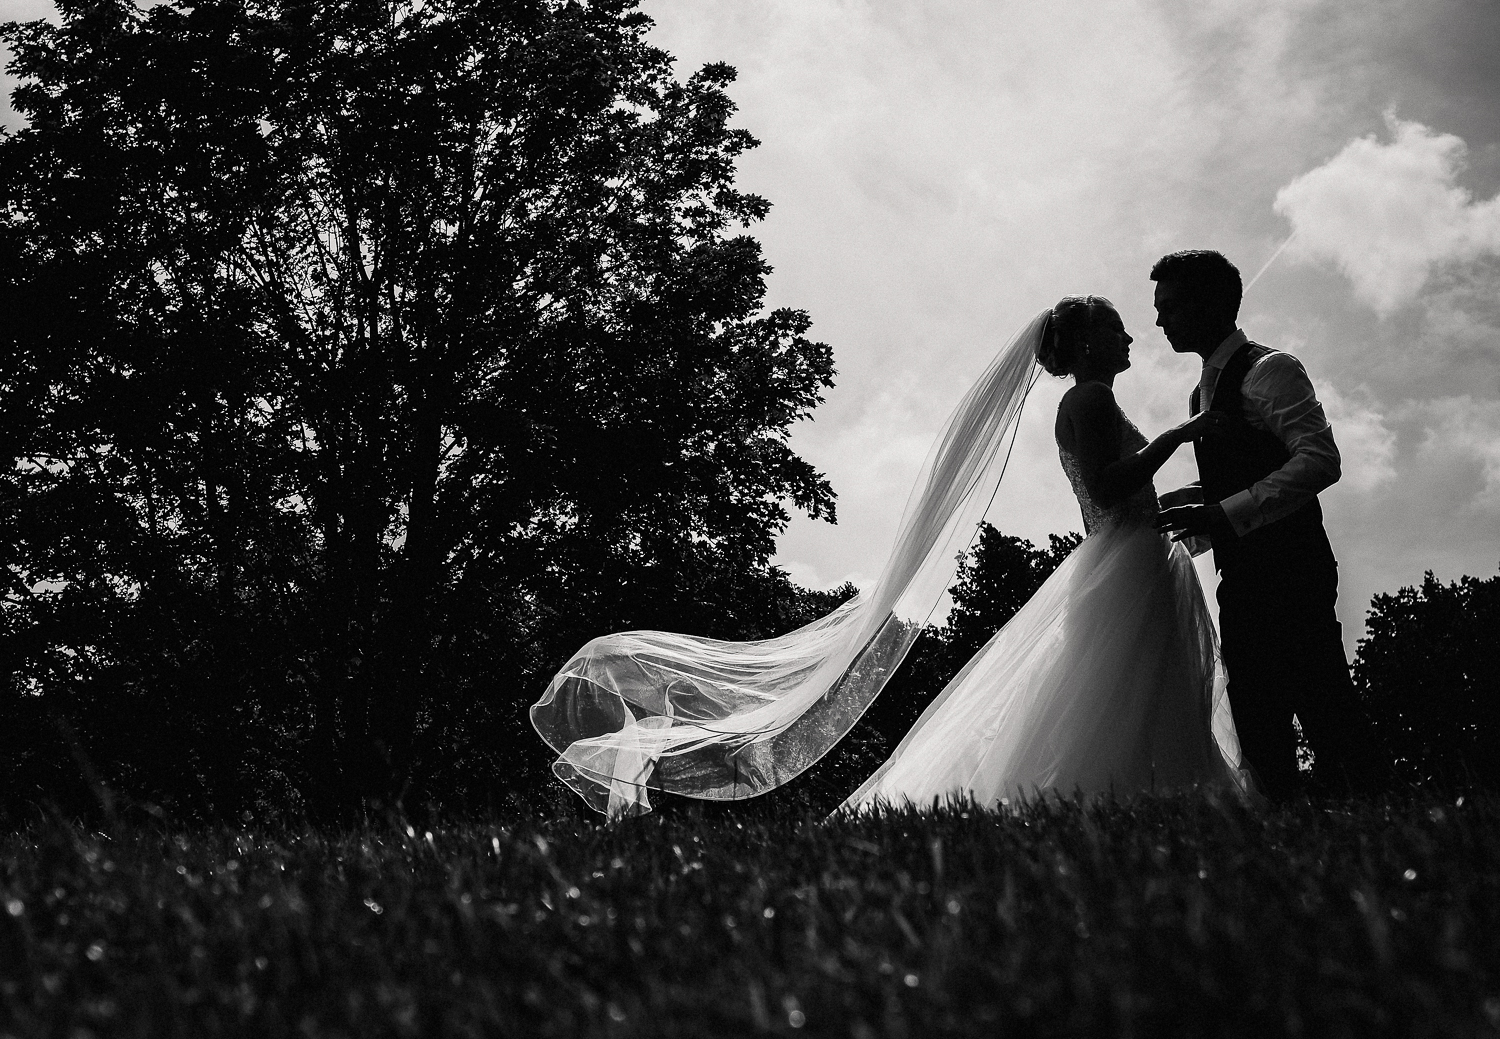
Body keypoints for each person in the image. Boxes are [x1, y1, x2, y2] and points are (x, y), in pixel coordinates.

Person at [530, 298, 1245, 818]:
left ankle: (1171, 805)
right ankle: (1130, 804)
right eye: (1116, 327)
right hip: (1122, 562)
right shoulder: (1087, 402)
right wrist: (1179, 436)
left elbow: (1125, 493)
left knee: (1150, 691)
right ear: (1087, 345)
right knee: (1125, 692)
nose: (1130, 336)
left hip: (1136, 555)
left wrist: (1177, 495)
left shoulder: (1094, 400)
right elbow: (1107, 488)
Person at [1151, 250, 1384, 801]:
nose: (1159, 320)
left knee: (1325, 705)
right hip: (1240, 575)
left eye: (1171, 306)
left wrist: (1223, 514)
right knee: (1256, 717)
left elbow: (1319, 460)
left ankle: (1373, 812)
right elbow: (1245, 471)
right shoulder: (1200, 392)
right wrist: (1187, 505)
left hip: (1293, 567)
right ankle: (1283, 825)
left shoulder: (1270, 369)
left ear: (1211, 305)